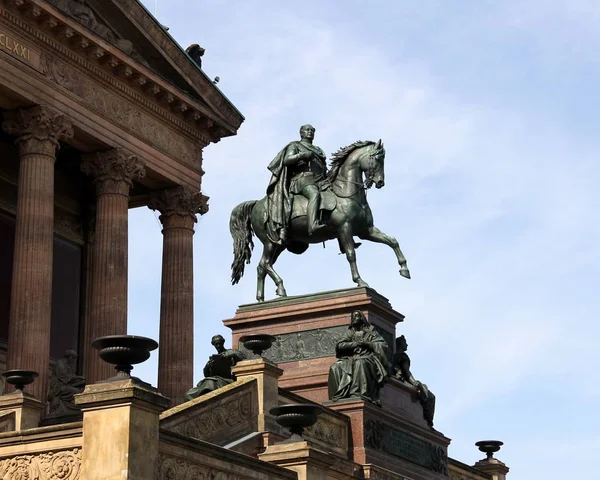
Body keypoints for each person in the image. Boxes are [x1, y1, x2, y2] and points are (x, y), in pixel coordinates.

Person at [265, 124, 329, 243]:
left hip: (321, 181)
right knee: (314, 194)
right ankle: (313, 225)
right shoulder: (295, 145)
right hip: (302, 180)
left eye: (312, 130)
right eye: (307, 130)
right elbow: (287, 160)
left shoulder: (319, 150)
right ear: (301, 133)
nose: (310, 132)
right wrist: (302, 155)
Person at [328, 310, 389, 405]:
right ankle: (338, 396)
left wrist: (368, 344)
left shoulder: (370, 331)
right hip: (351, 358)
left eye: (356, 316)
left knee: (359, 363)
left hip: (368, 358)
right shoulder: (350, 332)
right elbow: (340, 345)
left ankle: (356, 393)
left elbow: (383, 345)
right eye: (352, 316)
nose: (354, 318)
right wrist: (355, 344)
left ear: (361, 318)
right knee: (335, 366)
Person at [185, 335, 247, 401]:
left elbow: (245, 359)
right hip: (216, 380)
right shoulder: (214, 358)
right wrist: (207, 366)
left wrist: (232, 355)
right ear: (213, 345)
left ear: (223, 343)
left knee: (209, 383)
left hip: (227, 380)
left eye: (219, 343)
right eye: (216, 344)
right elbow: (206, 375)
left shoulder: (232, 352)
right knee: (188, 394)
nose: (218, 346)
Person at [393, 335, 436, 427]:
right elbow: (407, 373)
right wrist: (415, 382)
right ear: (401, 344)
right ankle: (428, 421)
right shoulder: (403, 356)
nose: (407, 345)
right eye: (405, 343)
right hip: (402, 379)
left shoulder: (395, 355)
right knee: (431, 396)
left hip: (397, 377)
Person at [47, 350, 86, 416]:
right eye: (73, 357)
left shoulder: (70, 365)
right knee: (76, 391)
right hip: (59, 387)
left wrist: (80, 380)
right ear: (69, 356)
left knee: (83, 389)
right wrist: (78, 378)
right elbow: (65, 376)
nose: (74, 360)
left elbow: (72, 376)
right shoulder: (60, 363)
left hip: (67, 385)